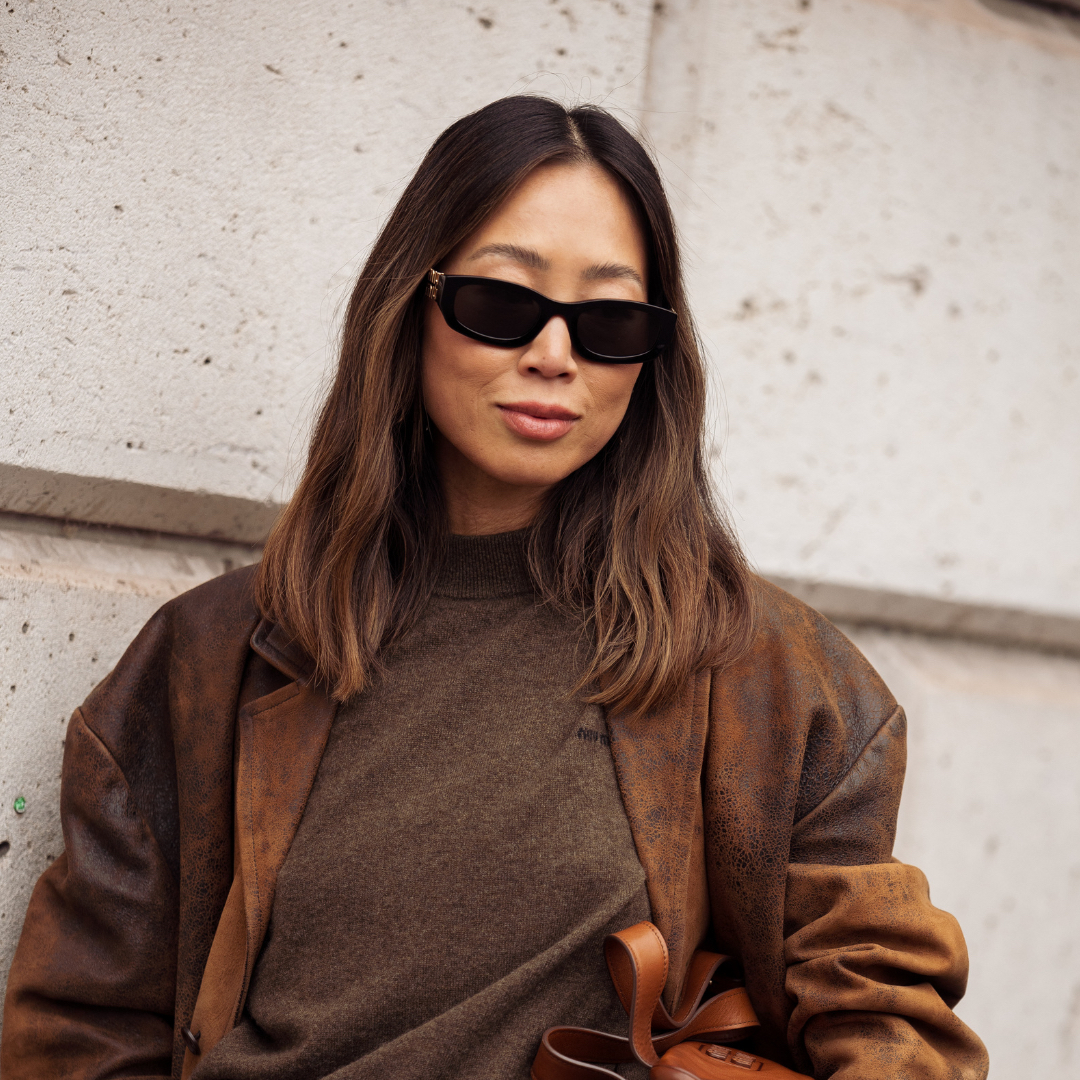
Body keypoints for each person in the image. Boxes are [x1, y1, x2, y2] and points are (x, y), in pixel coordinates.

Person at [0, 96, 988, 1080]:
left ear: (653, 353)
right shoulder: (206, 662)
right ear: (409, 307)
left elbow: (884, 1010)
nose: (553, 356)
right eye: (503, 304)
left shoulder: (775, 677)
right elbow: (82, 1033)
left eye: (608, 320)